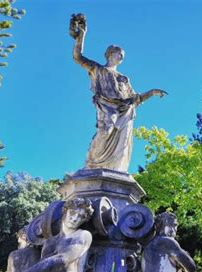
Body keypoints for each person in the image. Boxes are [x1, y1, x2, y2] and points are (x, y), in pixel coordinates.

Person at [69, 13, 167, 172]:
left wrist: (152, 92)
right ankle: (92, 165)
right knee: (105, 132)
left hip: (124, 112)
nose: (121, 57)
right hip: (106, 108)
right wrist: (81, 36)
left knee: (122, 141)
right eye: (118, 53)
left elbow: (135, 99)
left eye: (122, 56)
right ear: (109, 54)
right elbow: (77, 57)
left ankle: (115, 170)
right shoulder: (98, 69)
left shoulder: (124, 78)